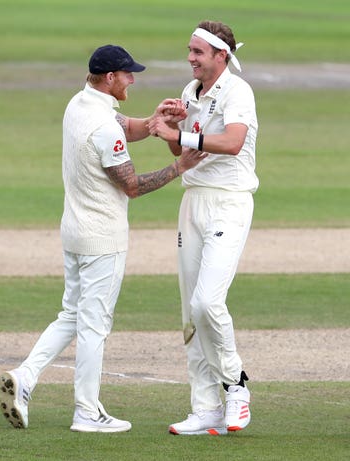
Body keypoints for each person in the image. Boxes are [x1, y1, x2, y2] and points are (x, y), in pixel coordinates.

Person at [0, 45, 206, 433]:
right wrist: (180, 165)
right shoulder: (102, 126)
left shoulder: (79, 104)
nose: (133, 79)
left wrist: (156, 120)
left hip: (74, 231)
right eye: (128, 74)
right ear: (110, 77)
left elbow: (126, 126)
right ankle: (87, 413)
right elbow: (131, 185)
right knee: (94, 325)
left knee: (72, 315)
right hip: (102, 238)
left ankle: (25, 376)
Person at [148, 20, 258, 435]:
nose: (190, 58)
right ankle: (205, 408)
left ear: (220, 56)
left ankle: (236, 385)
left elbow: (231, 143)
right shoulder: (190, 93)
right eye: (190, 50)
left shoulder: (238, 91)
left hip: (229, 202)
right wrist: (172, 131)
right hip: (193, 200)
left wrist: (185, 137)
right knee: (188, 313)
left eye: (198, 52)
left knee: (207, 303)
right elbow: (183, 149)